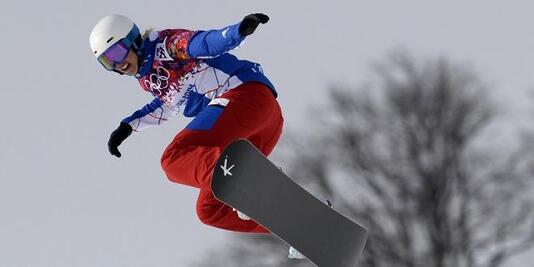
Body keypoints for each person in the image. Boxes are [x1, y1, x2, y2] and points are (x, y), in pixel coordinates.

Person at [89, 14, 304, 258]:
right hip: (257, 125)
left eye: (116, 54)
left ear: (132, 40)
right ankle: (297, 222)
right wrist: (128, 127)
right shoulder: (149, 79)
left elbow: (202, 43)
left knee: (173, 158)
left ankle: (244, 181)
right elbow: (166, 105)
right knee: (209, 209)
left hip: (246, 97)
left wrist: (237, 32)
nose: (117, 65)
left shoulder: (166, 45)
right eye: (107, 63)